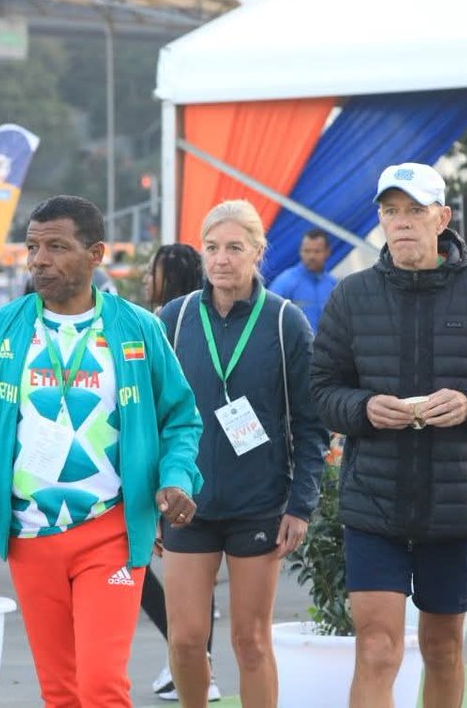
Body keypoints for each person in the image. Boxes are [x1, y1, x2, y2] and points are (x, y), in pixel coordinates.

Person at [0, 195, 203, 707]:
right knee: (61, 693)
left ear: (95, 253)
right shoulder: (3, 329)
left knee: (101, 687)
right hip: (31, 538)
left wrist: (178, 477)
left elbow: (181, 419)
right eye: (33, 246)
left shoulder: (139, 329)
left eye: (56, 247)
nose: (39, 260)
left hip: (111, 534)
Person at [309, 163, 467, 708]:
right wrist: (366, 409)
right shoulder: (352, 295)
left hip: (454, 506)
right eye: (391, 211)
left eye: (415, 210)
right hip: (374, 505)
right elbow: (323, 390)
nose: (402, 222)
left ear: (443, 217)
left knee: (441, 648)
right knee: (376, 648)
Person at [159, 200, 328, 708]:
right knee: (186, 640)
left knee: (250, 641)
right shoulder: (176, 317)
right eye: (211, 248)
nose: (221, 259)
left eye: (234, 248)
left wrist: (300, 504)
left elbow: (311, 421)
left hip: (259, 503)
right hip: (188, 505)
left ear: (258, 252)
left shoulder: (285, 323)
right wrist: (152, 497)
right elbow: (152, 415)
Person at [139, 243, 221, 702]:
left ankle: (193, 661)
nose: (147, 279)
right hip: (173, 461)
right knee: (175, 569)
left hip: (185, 463)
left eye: (154, 271)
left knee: (186, 566)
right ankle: (188, 656)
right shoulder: (159, 322)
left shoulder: (178, 324)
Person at [268, 228, 337, 333]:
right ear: (300, 252)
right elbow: (268, 319)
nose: (311, 256)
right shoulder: (285, 282)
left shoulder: (333, 286)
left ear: (327, 252)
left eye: (317, 251)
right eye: (307, 251)